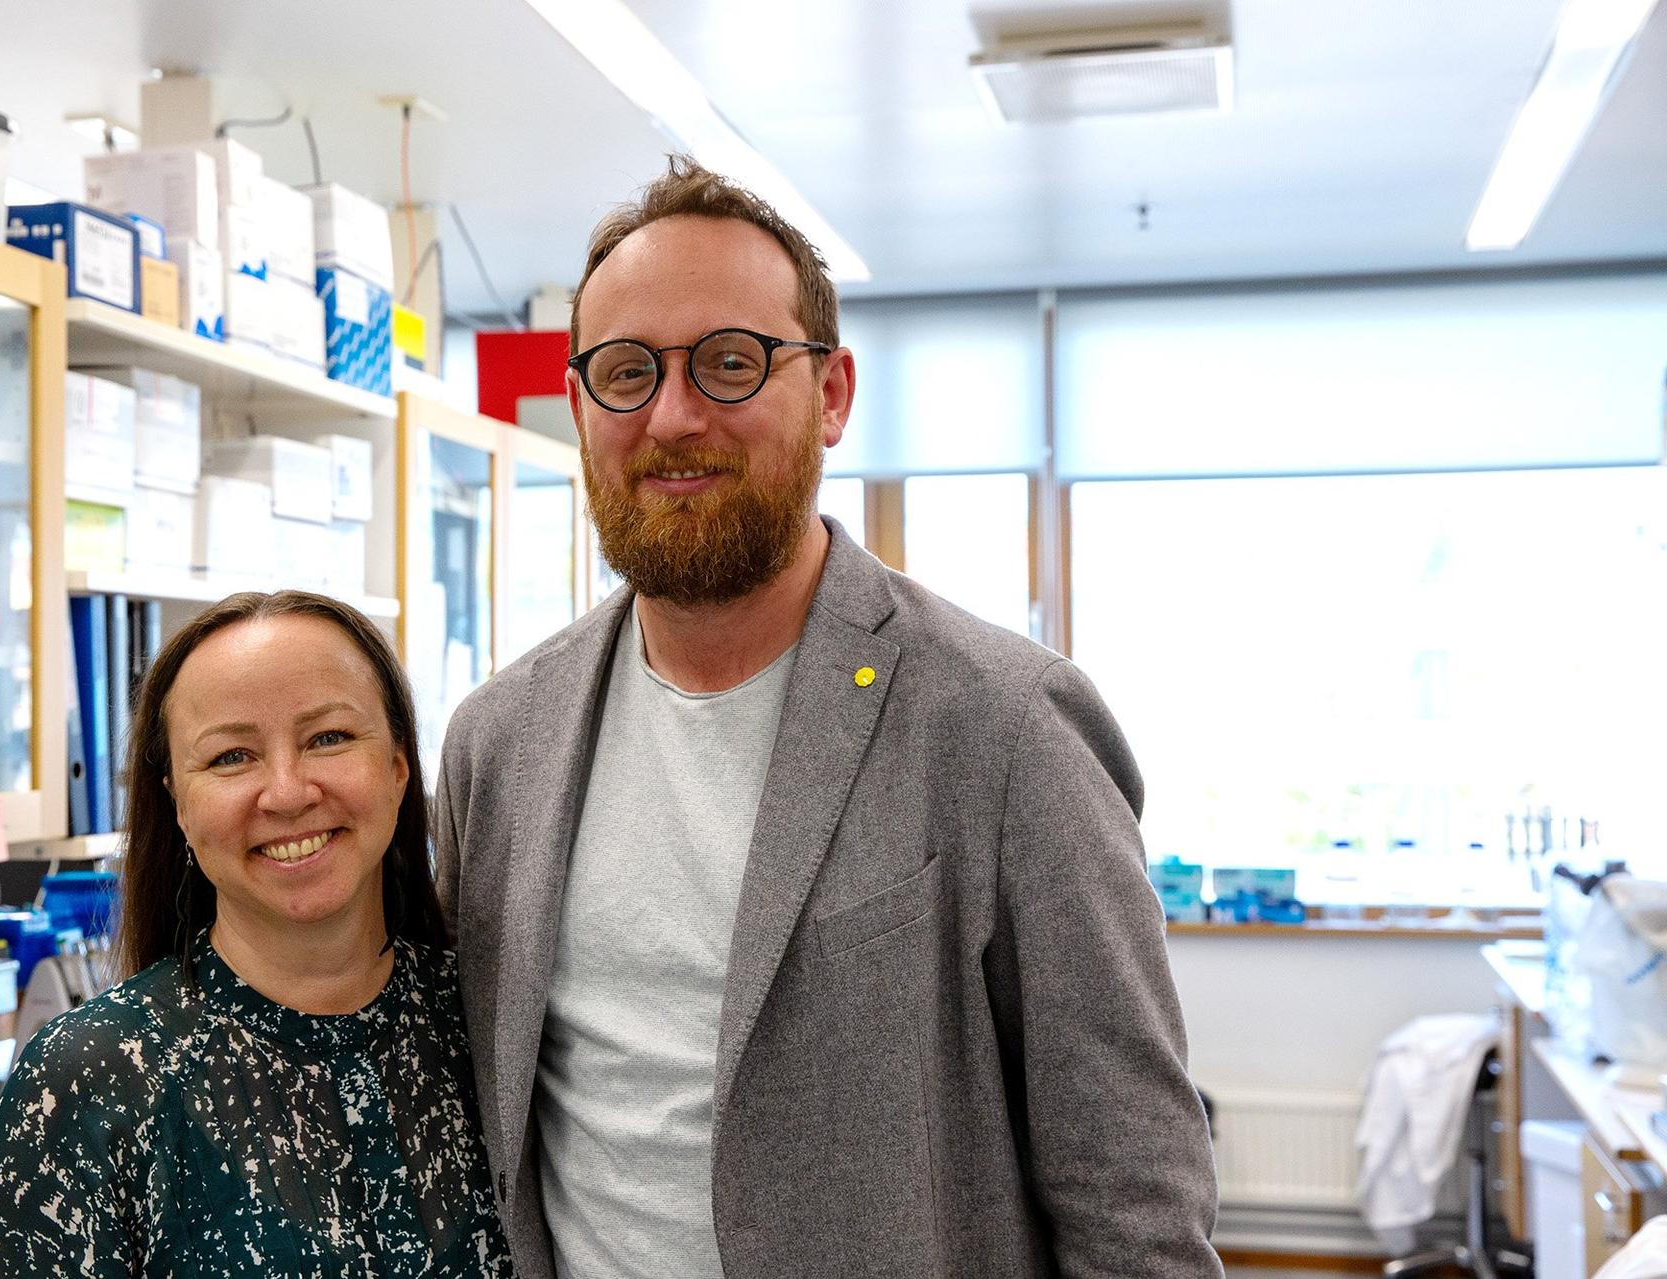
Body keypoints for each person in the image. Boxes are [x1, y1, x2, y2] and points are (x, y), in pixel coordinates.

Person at [432, 157, 1222, 1277]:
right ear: (577, 407)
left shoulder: (1005, 727)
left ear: (833, 393)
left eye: (731, 362)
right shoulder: (498, 743)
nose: (672, 415)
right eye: (624, 372)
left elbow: (1133, 1190)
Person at [0, 591, 511, 1277]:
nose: (287, 791)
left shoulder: (495, 1026)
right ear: (177, 802)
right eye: (230, 757)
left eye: (328, 737)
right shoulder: (88, 1080)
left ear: (398, 764)